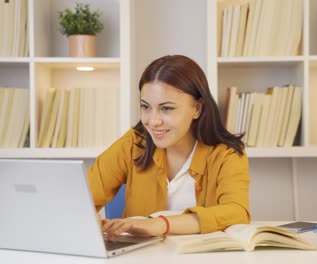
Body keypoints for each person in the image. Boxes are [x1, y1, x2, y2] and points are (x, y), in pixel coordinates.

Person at [87, 55, 250, 239]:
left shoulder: (226, 154)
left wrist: (161, 223)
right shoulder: (133, 144)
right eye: (146, 107)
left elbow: (236, 212)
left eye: (167, 108)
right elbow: (80, 200)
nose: (153, 121)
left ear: (197, 108)